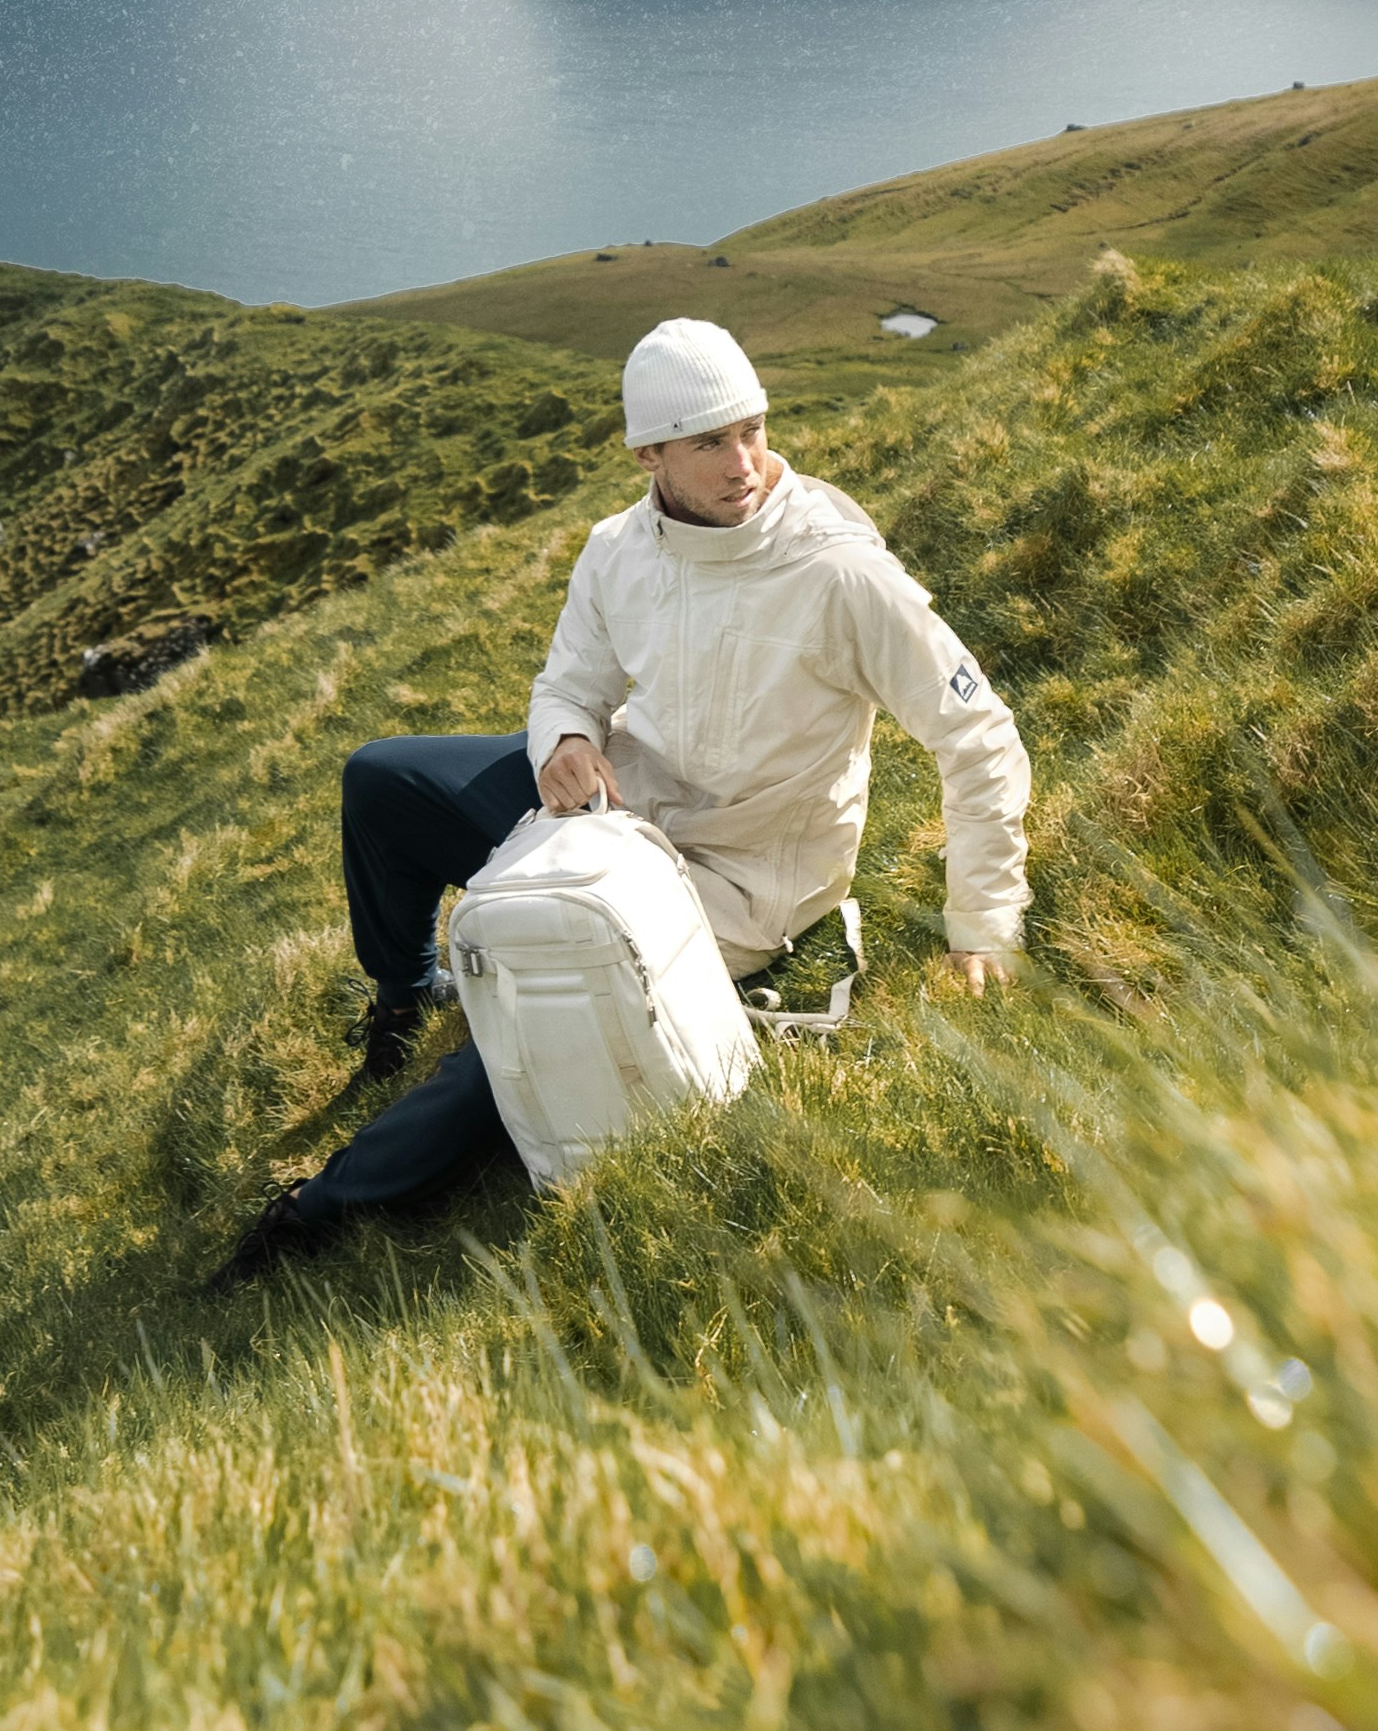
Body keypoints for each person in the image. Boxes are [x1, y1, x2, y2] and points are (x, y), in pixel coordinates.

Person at [215, 316, 1029, 1281]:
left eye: (755, 430)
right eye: (710, 443)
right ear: (648, 454)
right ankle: (403, 1000)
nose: (746, 464)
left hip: (733, 877)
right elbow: (570, 682)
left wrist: (982, 923)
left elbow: (977, 732)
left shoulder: (842, 572)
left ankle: (321, 1209)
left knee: (524, 1018)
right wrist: (564, 739)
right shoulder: (615, 548)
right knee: (381, 778)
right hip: (605, 813)